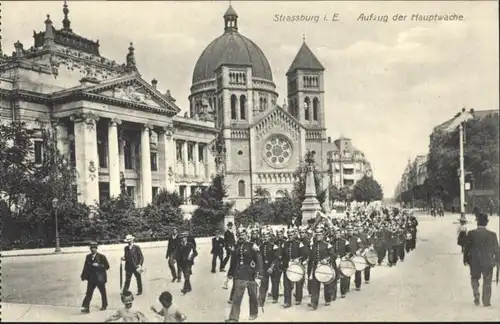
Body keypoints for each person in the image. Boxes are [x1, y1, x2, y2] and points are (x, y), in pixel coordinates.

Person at [226, 227, 263, 322]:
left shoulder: (252, 245)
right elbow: (233, 261)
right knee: (236, 297)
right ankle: (233, 318)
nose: (241, 236)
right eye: (239, 235)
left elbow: (259, 260)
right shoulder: (236, 246)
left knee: (253, 296)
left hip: (251, 274)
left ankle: (254, 313)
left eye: (242, 234)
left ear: (246, 235)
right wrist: (230, 273)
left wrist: (259, 274)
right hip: (239, 274)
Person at [463, 213, 500, 307]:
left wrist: (465, 259)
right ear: (486, 223)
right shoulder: (492, 235)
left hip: (474, 261)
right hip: (488, 261)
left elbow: (466, 248)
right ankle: (486, 301)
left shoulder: (471, 234)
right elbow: (497, 249)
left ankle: (476, 292)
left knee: (474, 278)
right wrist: (498, 260)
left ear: (477, 222)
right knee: (487, 280)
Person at [307, 226, 336, 310]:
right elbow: (311, 257)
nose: (318, 236)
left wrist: (326, 259)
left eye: (320, 234)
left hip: (325, 267)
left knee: (327, 284)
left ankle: (328, 299)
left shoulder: (327, 245)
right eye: (317, 235)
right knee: (315, 285)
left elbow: (333, 256)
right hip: (316, 267)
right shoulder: (313, 245)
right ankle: (314, 302)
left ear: (323, 235)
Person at [80, 241, 110, 313]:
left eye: (94, 248)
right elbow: (85, 267)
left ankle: (104, 305)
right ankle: (86, 307)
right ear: (90, 249)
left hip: (100, 278)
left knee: (103, 292)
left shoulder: (102, 256)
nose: (93, 249)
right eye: (91, 248)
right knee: (89, 293)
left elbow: (107, 266)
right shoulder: (88, 257)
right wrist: (83, 276)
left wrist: (99, 265)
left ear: (96, 248)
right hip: (91, 279)